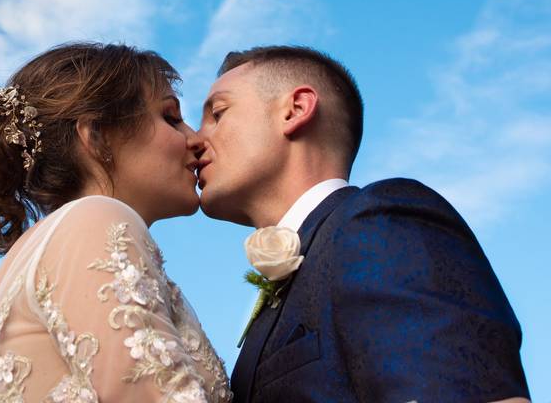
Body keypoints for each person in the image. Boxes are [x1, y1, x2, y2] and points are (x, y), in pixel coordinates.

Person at [195, 45, 530, 403]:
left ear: (295, 110)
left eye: (217, 113)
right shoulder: (284, 291)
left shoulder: (381, 222)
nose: (196, 140)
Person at [0, 42, 231, 402]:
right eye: (171, 117)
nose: (195, 139)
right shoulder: (95, 218)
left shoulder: (41, 249)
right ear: (96, 135)